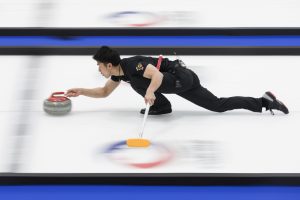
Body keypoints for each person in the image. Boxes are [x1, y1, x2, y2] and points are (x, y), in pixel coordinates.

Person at [66, 46, 289, 115]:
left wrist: (151, 93)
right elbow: (104, 92)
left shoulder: (133, 64)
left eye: (99, 66)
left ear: (109, 64)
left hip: (180, 78)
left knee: (141, 83)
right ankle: (264, 101)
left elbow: (157, 75)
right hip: (178, 81)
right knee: (217, 105)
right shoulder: (118, 73)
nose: (99, 70)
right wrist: (82, 91)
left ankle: (161, 104)